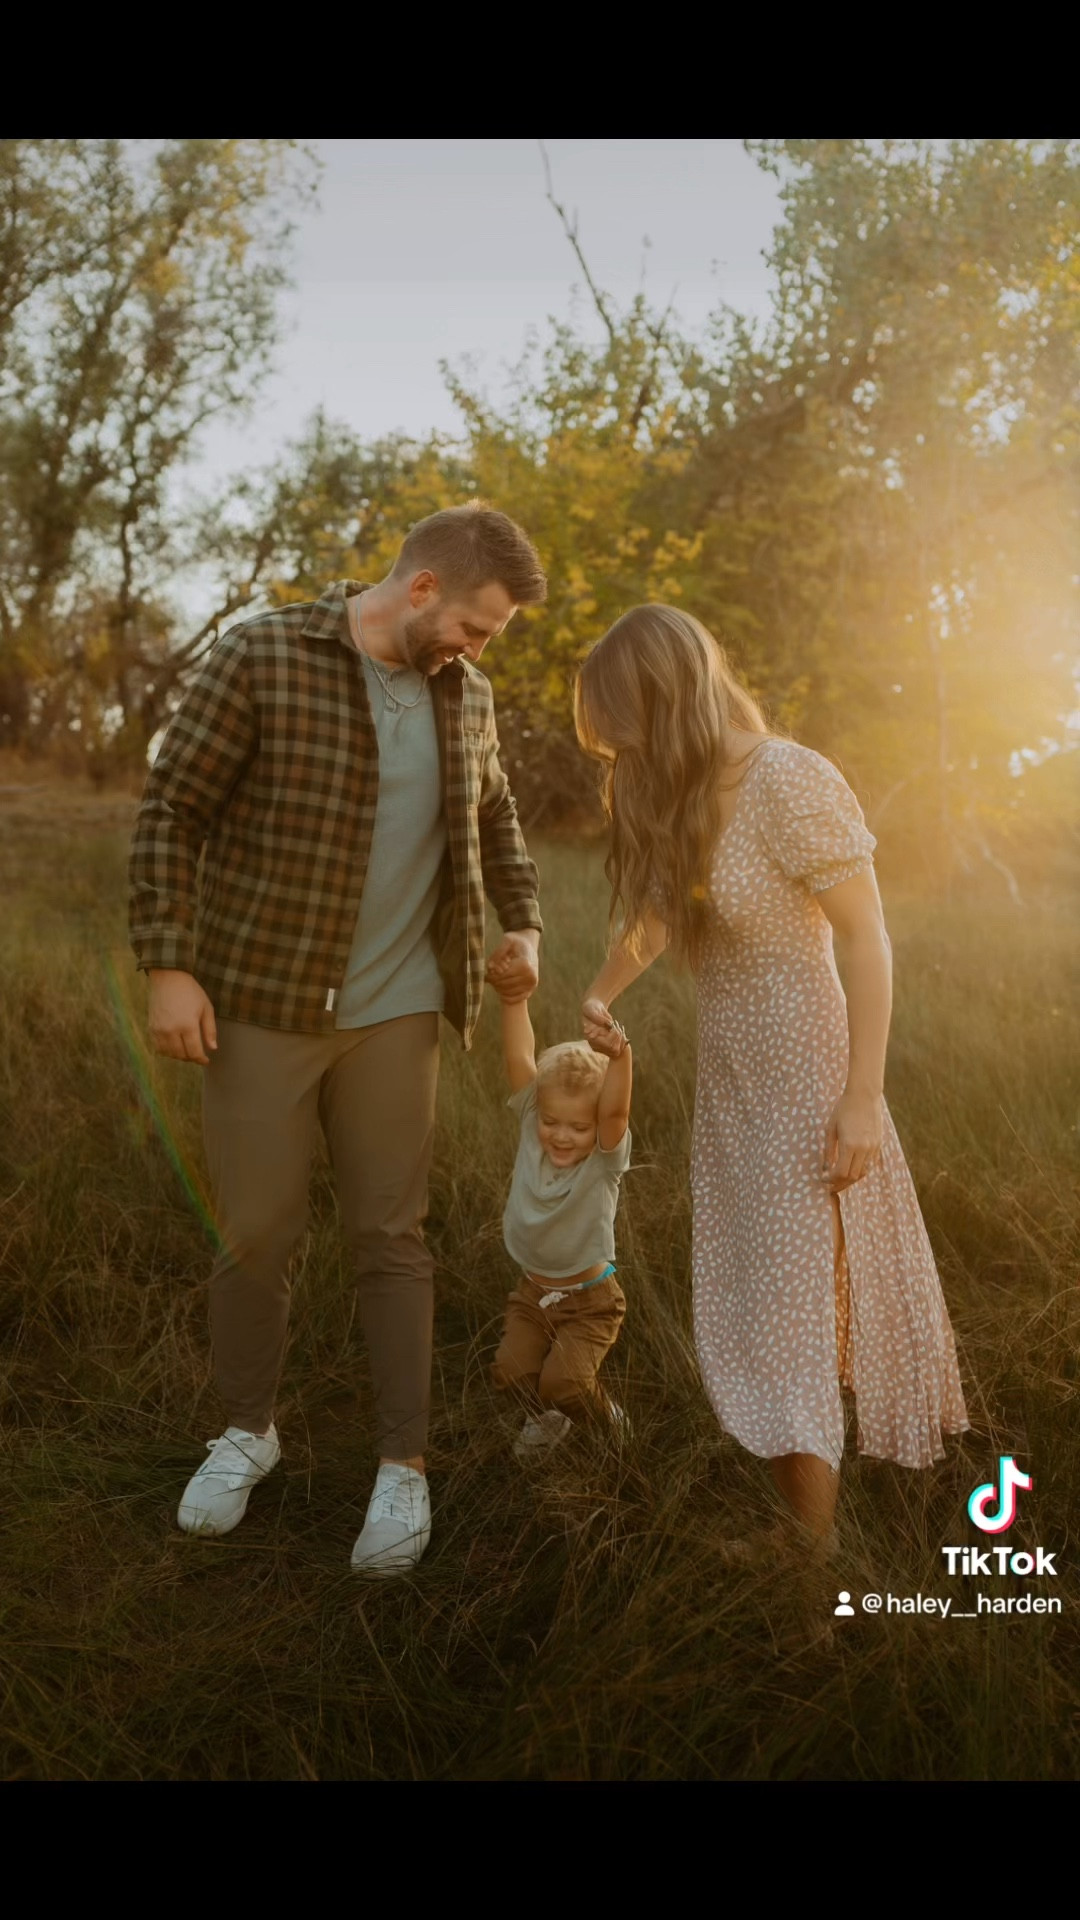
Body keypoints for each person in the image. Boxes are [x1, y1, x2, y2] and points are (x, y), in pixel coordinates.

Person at [128, 503, 547, 1576]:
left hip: (403, 1010)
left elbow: (496, 814)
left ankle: (402, 1470)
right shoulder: (265, 654)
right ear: (420, 591)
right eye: (478, 626)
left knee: (391, 1240)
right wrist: (169, 965)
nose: (478, 648)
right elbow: (173, 807)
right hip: (264, 999)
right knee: (257, 1232)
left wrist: (526, 922)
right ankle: (246, 1433)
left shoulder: (470, 697)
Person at [573, 603, 969, 1563]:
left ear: (665, 702)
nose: (618, 756)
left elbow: (869, 940)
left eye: (623, 730)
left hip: (808, 1076)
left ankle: (812, 1569)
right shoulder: (685, 789)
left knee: (792, 1313)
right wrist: (596, 990)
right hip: (734, 1080)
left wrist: (863, 1096)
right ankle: (799, 1525)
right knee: (761, 1295)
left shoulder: (789, 778)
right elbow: (663, 917)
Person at [486, 971, 633, 1457]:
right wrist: (514, 999)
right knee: (511, 1373)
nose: (562, 1136)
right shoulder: (534, 1132)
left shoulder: (603, 1158)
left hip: (590, 1299)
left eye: (577, 1126)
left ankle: (601, 1413)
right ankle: (549, 1419)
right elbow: (518, 1059)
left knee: (565, 1383)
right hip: (534, 1293)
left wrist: (620, 1056)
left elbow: (613, 1113)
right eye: (552, 1121)